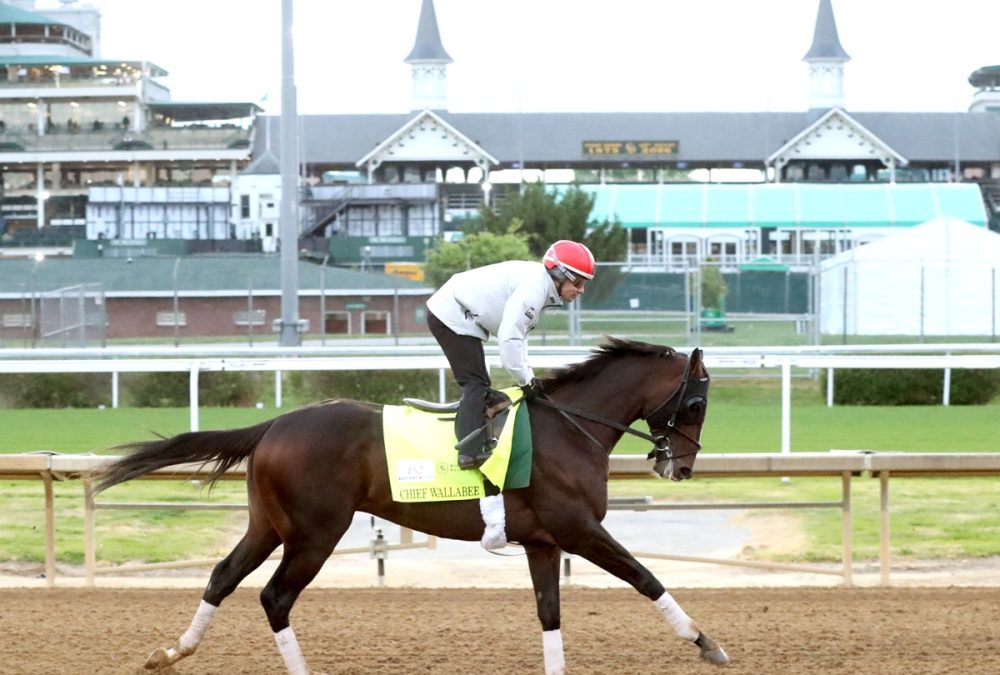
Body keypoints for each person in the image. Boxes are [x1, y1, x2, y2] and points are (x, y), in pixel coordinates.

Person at [426, 239, 595, 469]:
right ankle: (468, 454)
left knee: (480, 384)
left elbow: (519, 337)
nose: (581, 290)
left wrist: (528, 377)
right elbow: (509, 339)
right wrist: (526, 380)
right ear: (559, 273)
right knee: (475, 384)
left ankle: (481, 436)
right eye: (577, 282)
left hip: (457, 310)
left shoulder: (539, 285)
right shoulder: (534, 289)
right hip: (450, 313)